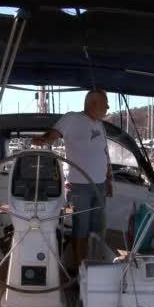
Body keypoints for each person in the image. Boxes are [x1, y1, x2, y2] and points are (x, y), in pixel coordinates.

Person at [31, 88, 113, 273]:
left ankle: (93, 265)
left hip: (99, 185)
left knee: (97, 226)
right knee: (81, 228)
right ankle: (80, 270)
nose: (108, 106)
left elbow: (104, 153)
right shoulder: (72, 119)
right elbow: (54, 134)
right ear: (93, 104)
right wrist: (43, 140)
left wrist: (109, 180)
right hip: (80, 186)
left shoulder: (100, 125)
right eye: (105, 103)